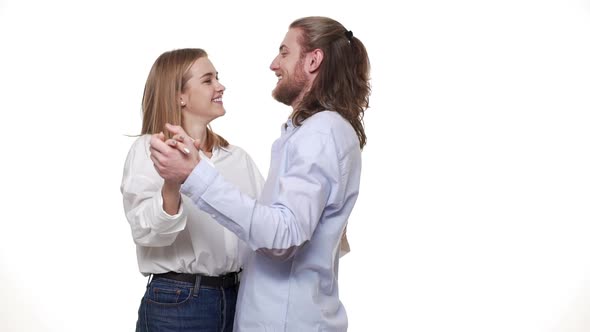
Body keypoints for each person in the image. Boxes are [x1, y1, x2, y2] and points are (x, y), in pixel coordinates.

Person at [150, 16, 370, 331]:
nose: (273, 64)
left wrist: (195, 174)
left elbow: (283, 235)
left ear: (312, 60)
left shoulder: (321, 133)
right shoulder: (316, 132)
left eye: (284, 52)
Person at [120, 48, 265, 332]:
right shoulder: (149, 151)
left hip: (239, 299)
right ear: (179, 96)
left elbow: (264, 226)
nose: (220, 86)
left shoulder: (237, 158)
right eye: (208, 80)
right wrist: (172, 183)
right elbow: (147, 233)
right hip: (179, 302)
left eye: (217, 78)